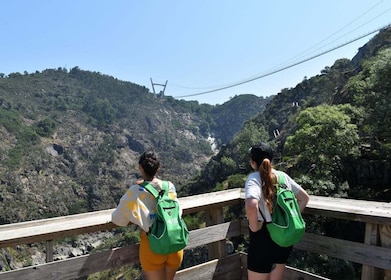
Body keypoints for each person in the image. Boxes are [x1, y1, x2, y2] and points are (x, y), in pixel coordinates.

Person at [111, 150, 184, 280]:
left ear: (140, 167)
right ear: (158, 168)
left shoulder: (135, 192)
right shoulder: (169, 187)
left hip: (153, 246)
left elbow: (118, 220)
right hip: (175, 243)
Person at [245, 142, 310, 280]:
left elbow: (251, 205)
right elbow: (304, 198)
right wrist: (290, 217)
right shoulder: (282, 176)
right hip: (283, 236)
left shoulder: (254, 179)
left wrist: (255, 227)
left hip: (262, 239)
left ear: (252, 162)